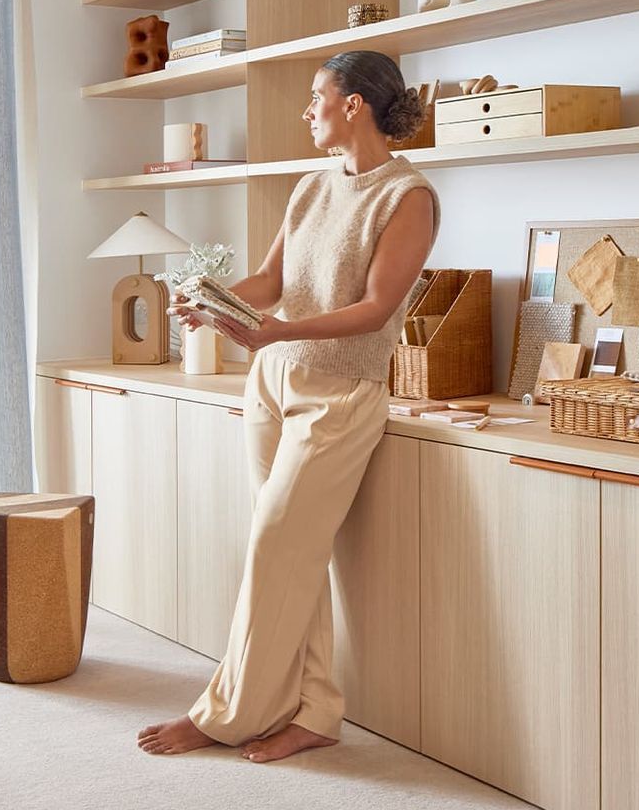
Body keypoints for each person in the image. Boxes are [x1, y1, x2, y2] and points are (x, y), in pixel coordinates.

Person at [139, 51, 440, 764]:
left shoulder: (408, 197)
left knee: (275, 546)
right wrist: (213, 302)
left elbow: (374, 311)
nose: (307, 110)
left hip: (340, 395)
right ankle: (315, 712)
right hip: (272, 384)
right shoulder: (309, 187)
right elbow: (272, 280)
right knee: (294, 558)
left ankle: (227, 714)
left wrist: (277, 330)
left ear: (354, 105)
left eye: (317, 96)